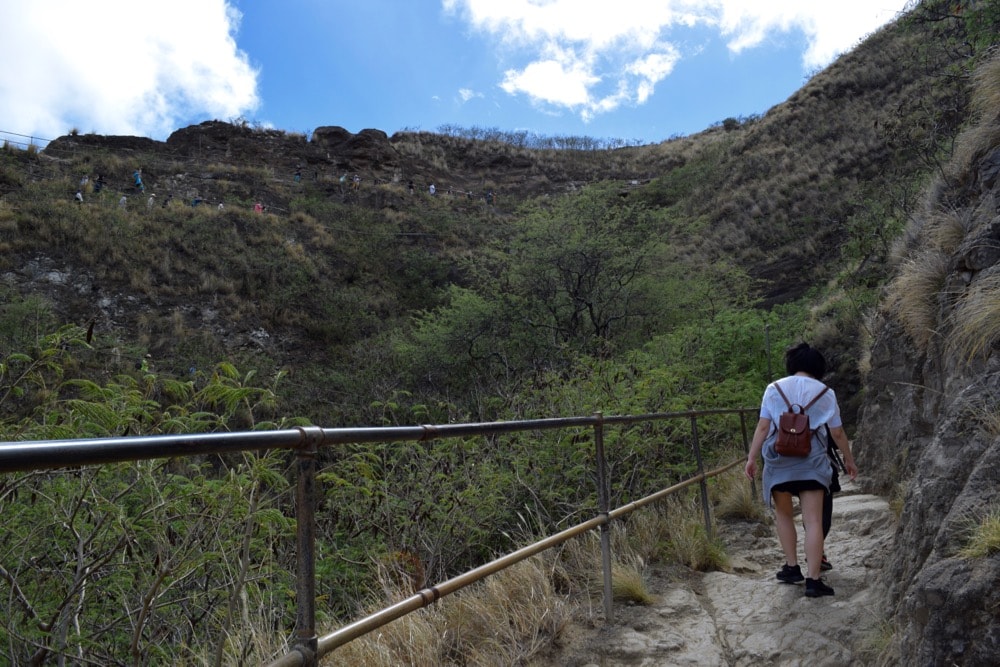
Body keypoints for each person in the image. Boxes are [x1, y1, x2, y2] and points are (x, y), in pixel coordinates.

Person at [745, 342, 858, 598]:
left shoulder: (773, 389)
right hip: (812, 462)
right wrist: (849, 460)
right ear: (818, 368)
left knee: (784, 516)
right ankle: (813, 581)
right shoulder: (826, 392)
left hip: (778, 460)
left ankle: (792, 568)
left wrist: (751, 458)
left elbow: (763, 428)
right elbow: (837, 433)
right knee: (813, 521)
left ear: (792, 365)